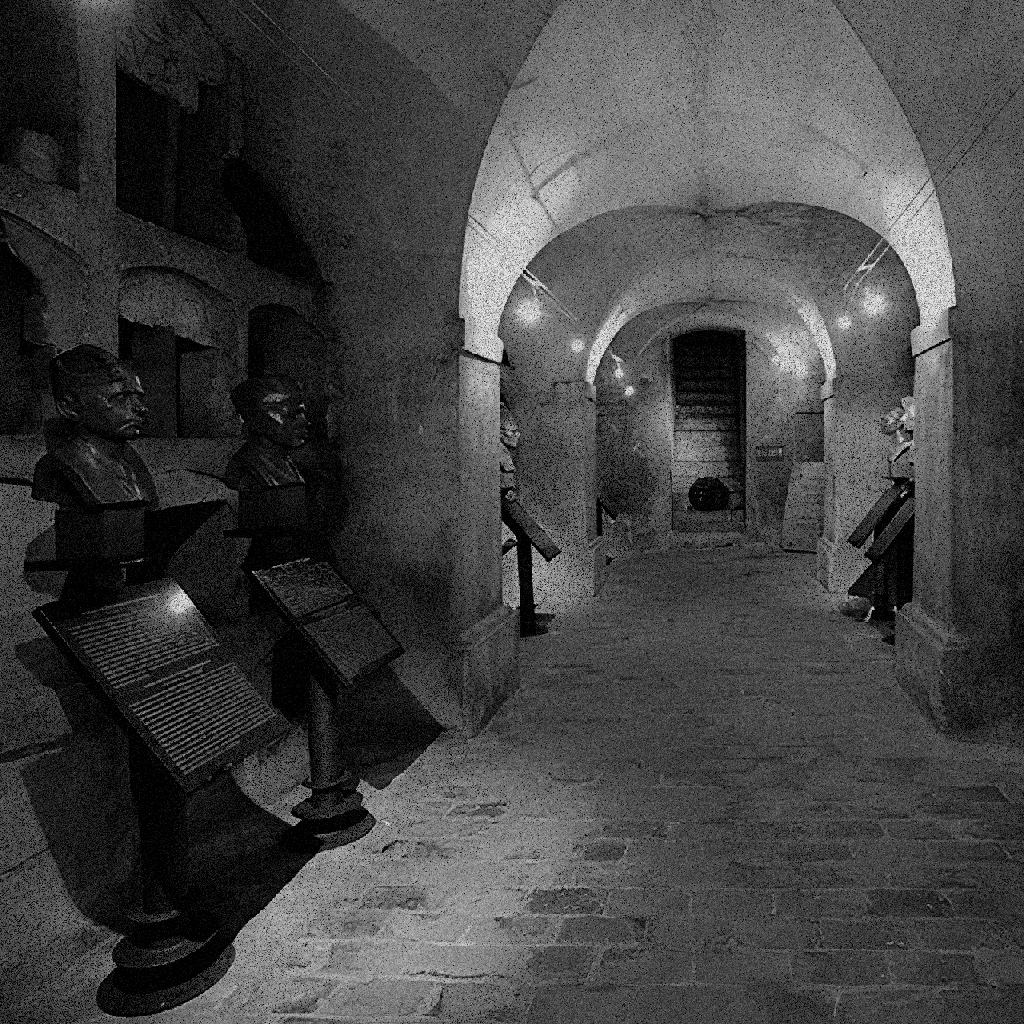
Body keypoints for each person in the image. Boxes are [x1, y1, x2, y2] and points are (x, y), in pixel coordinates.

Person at [32, 344, 156, 508]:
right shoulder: (59, 468)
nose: (140, 408)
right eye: (119, 398)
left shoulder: (133, 463)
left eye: (137, 397)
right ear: (70, 408)